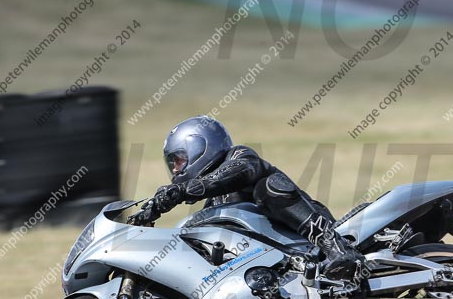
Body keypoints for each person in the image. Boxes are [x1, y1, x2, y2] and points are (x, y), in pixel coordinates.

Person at [129, 116, 365, 281]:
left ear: (200, 148)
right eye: (172, 163)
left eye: (179, 160)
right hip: (282, 268)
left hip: (309, 236)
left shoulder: (240, 157)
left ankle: (337, 247)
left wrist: (182, 191)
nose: (175, 169)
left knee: (268, 187)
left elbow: (237, 172)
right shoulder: (214, 207)